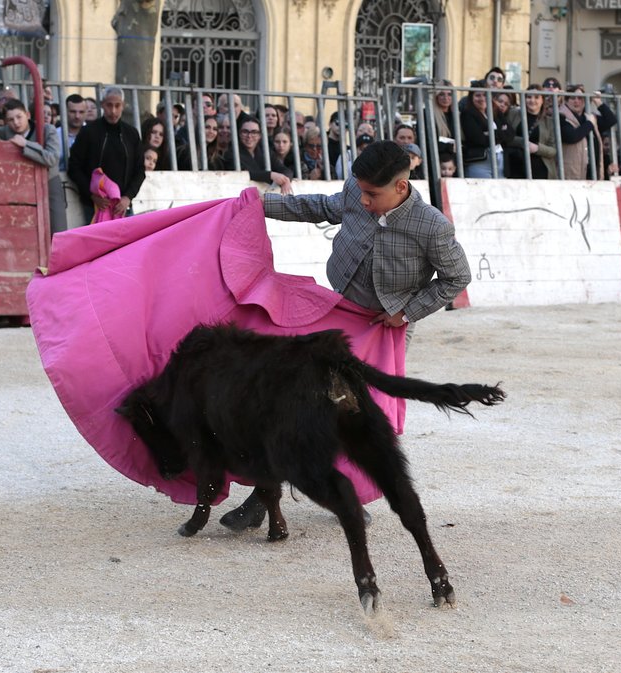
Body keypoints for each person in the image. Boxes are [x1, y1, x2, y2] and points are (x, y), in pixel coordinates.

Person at [218, 140, 472, 530]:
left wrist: (406, 312)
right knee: (301, 403)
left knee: (352, 414)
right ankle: (267, 495)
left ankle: (341, 492)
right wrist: (260, 205)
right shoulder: (358, 189)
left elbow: (457, 277)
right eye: (361, 191)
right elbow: (320, 207)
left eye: (372, 195)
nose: (363, 201)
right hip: (336, 311)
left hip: (384, 330)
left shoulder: (431, 226)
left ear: (401, 186)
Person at [67, 86, 145, 223]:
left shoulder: (131, 134)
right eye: (109, 105)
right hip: (95, 206)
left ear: (123, 106)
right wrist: (92, 195)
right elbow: (74, 167)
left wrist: (127, 197)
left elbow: (139, 170)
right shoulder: (88, 132)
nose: (113, 111)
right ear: (102, 105)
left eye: (117, 105)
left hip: (122, 206)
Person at [0, 99, 67, 234]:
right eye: (10, 120)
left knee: (57, 228)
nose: (16, 123)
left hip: (49, 183)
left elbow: (52, 159)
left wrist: (26, 144)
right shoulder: (6, 131)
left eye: (19, 117)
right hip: (21, 186)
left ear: (27, 115)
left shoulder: (47, 130)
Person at [558, 84, 616, 180]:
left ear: (585, 101)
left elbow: (611, 120)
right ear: (566, 101)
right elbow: (572, 137)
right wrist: (590, 124)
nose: (576, 101)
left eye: (580, 98)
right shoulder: (561, 117)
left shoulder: (589, 117)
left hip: (592, 173)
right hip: (571, 175)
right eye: (572, 98)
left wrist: (598, 102)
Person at [460, 81, 514, 178]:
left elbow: (510, 134)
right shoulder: (467, 114)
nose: (482, 98)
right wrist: (501, 133)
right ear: (471, 97)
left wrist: (490, 134)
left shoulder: (496, 111)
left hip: (500, 159)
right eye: (478, 95)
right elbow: (479, 139)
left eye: (485, 95)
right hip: (480, 162)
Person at [228, 114, 292, 194]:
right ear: (239, 134)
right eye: (245, 132)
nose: (249, 136)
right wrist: (270, 175)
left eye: (254, 132)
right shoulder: (232, 153)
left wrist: (286, 179)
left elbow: (284, 169)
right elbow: (245, 174)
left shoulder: (265, 151)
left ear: (260, 135)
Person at [514, 84, 556, 179]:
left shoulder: (549, 122)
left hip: (540, 170)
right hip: (515, 168)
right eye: (529, 97)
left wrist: (537, 148)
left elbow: (553, 150)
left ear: (542, 100)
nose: (532, 100)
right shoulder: (514, 114)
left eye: (536, 97)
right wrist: (523, 142)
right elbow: (506, 137)